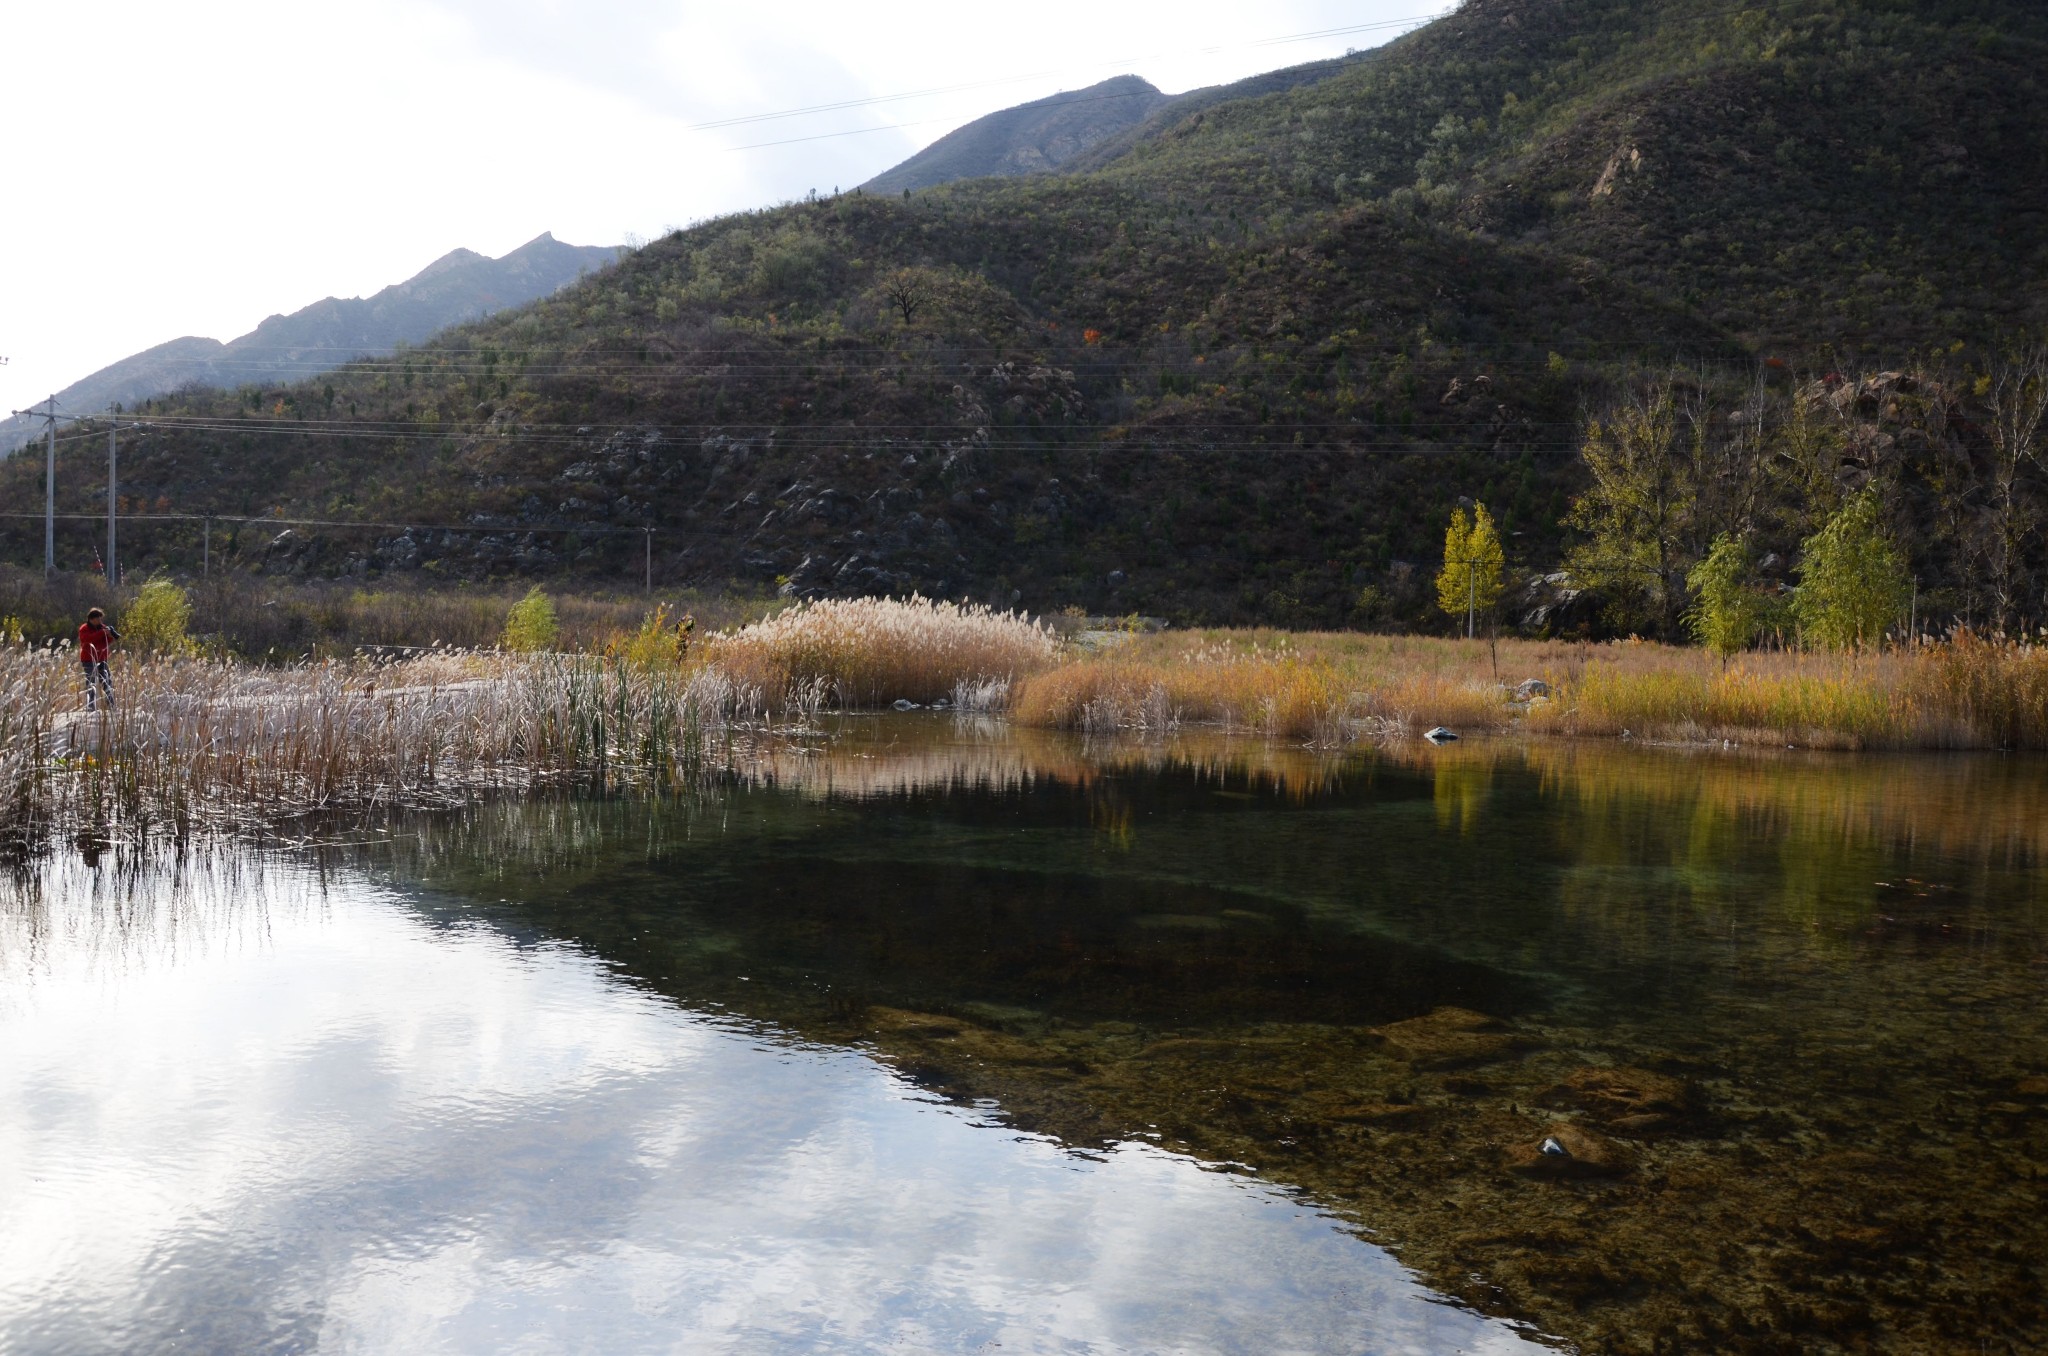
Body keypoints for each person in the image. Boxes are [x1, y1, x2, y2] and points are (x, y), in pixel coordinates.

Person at [78, 607, 120, 713]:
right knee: (91, 683)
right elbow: (87, 640)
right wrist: (102, 633)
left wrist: (110, 636)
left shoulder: (102, 627)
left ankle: (111, 706)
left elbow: (107, 642)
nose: (101, 621)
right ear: (92, 619)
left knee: (107, 682)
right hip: (89, 659)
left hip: (102, 659)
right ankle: (90, 707)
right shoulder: (84, 628)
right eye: (99, 619)